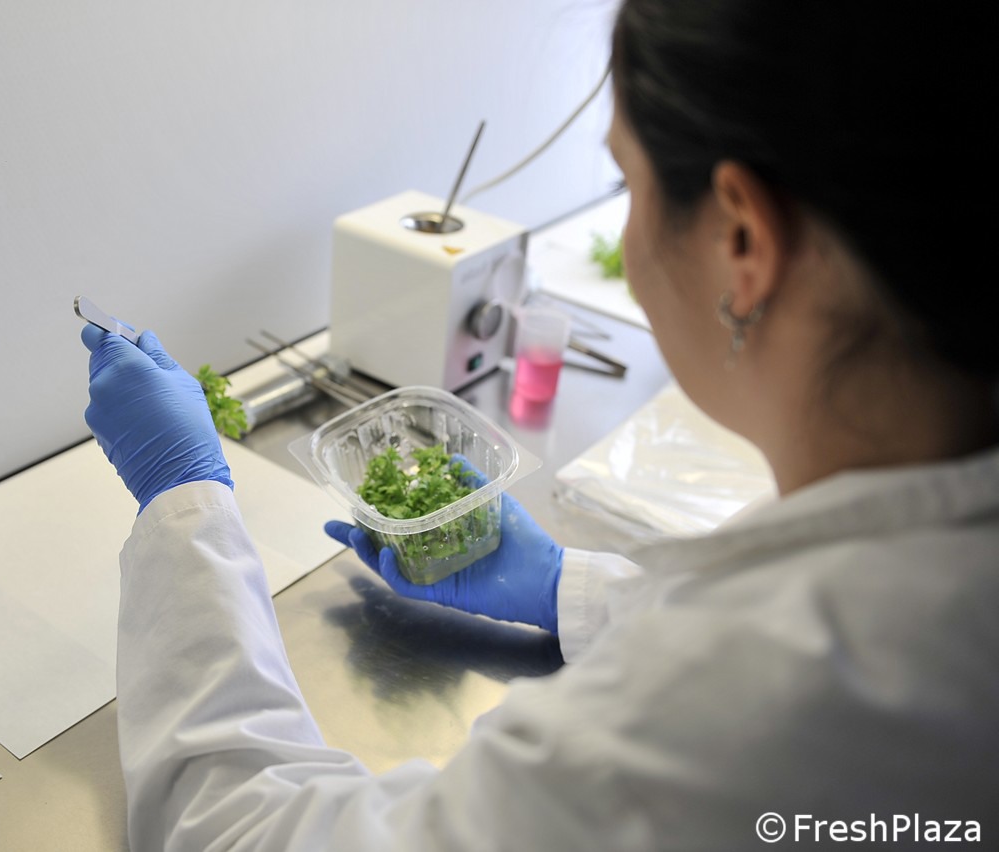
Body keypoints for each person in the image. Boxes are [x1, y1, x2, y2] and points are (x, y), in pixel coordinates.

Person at [80, 1, 997, 848]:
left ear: (742, 241)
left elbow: (238, 829)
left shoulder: (728, 707)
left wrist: (183, 498)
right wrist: (573, 588)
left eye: (628, 184)